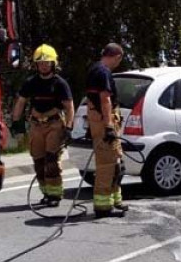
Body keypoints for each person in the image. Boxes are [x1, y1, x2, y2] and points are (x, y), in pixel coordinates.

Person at [11, 44, 75, 207]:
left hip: (54, 124)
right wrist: (15, 121)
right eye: (40, 63)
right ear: (36, 65)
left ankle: (55, 194)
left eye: (47, 62)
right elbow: (21, 101)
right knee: (38, 160)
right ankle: (46, 192)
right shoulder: (31, 82)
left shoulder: (60, 83)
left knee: (51, 160)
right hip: (36, 125)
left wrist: (68, 127)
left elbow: (69, 106)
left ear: (53, 64)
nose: (44, 65)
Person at [86, 43, 128, 218]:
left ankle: (114, 200)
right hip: (105, 122)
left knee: (116, 164)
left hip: (98, 120)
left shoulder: (94, 69)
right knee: (107, 165)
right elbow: (105, 100)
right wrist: (109, 126)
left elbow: (92, 99)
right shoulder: (104, 72)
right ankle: (103, 207)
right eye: (120, 60)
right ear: (117, 57)